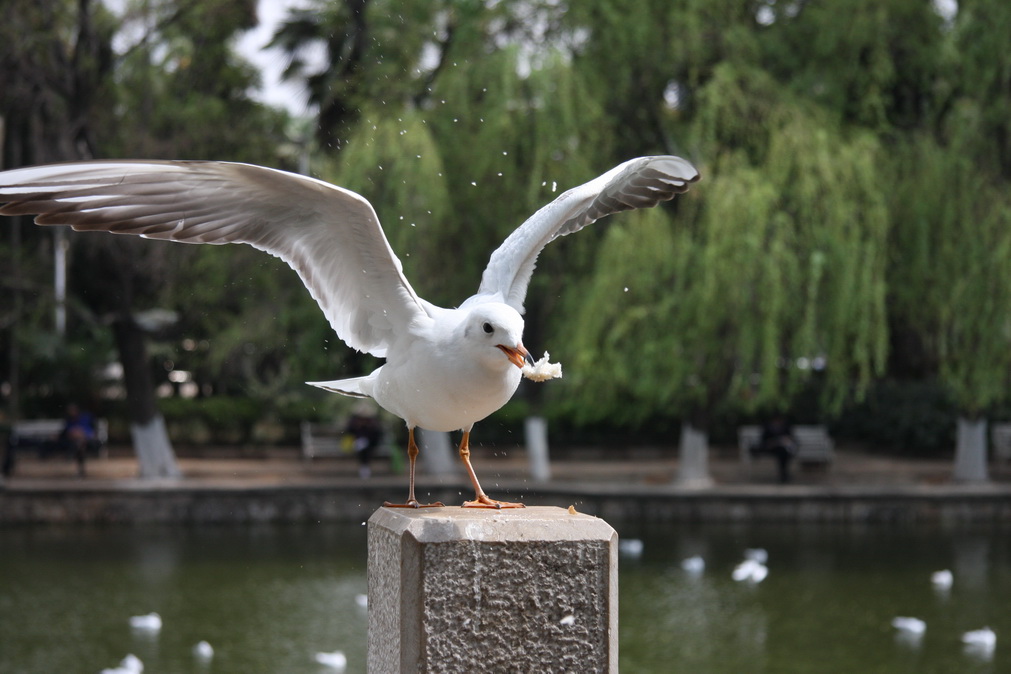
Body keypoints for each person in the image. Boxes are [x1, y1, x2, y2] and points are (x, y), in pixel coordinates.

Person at [752, 414, 798, 483]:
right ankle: (783, 474)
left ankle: (783, 474)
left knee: (783, 452)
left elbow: (792, 438)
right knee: (782, 452)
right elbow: (763, 441)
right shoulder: (767, 427)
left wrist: (786, 440)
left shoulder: (786, 426)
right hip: (770, 448)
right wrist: (772, 442)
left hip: (783, 449)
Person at [59, 404, 99, 478]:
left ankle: (79, 468)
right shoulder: (69, 420)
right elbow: (66, 433)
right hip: (73, 442)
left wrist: (83, 434)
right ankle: (80, 470)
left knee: (80, 444)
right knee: (78, 445)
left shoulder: (86, 417)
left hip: (88, 441)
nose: (71, 412)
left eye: (73, 410)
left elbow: (92, 432)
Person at [345, 401, 383, 479]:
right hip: (357, 442)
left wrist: (370, 428)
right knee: (362, 449)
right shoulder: (354, 421)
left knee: (366, 449)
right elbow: (348, 432)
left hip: (371, 443)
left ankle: (365, 467)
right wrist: (356, 426)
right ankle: (364, 467)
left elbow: (378, 434)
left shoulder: (373, 422)